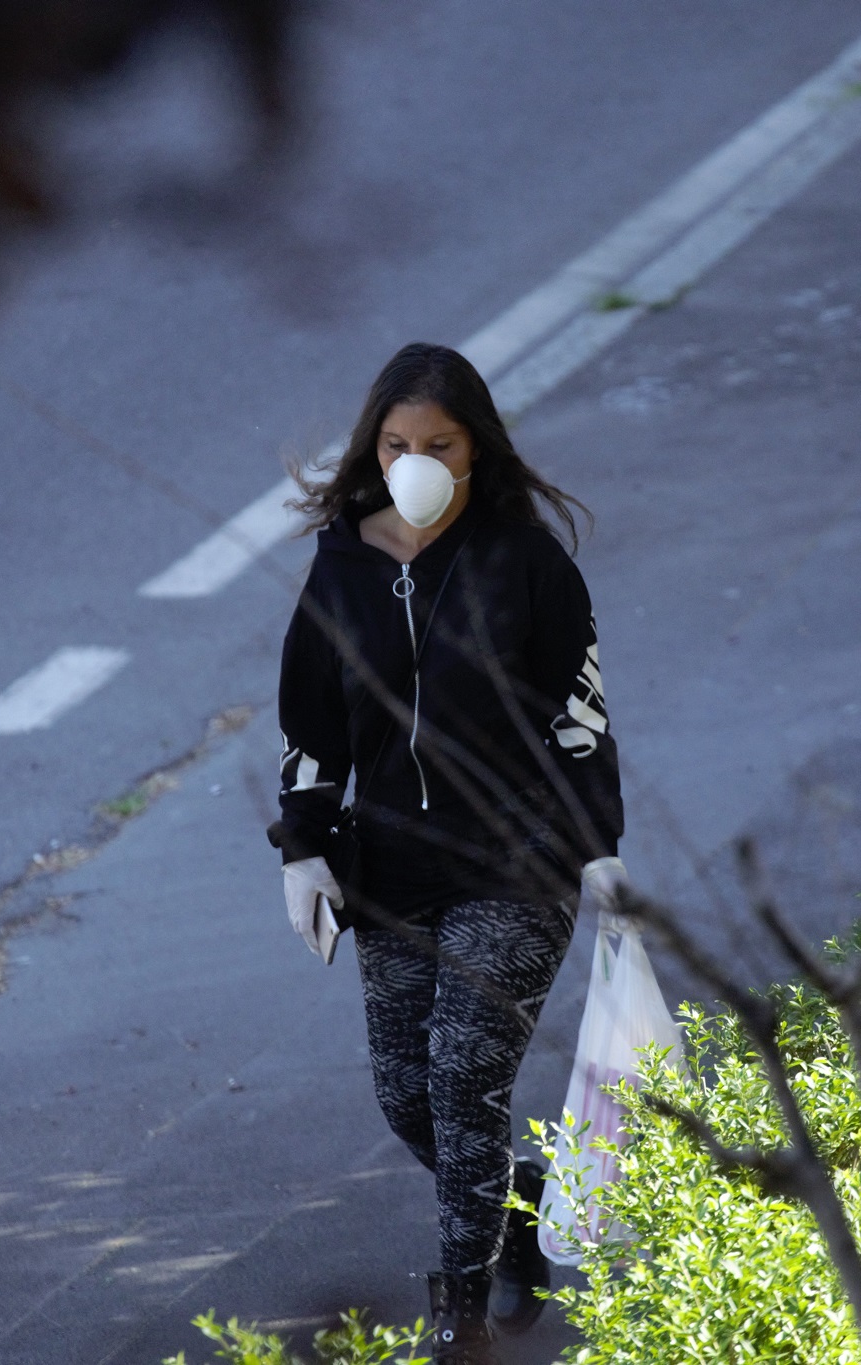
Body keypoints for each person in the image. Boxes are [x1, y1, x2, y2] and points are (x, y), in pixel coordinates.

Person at [271, 342, 627, 1363]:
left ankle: (460, 1316)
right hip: (388, 869)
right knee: (407, 1097)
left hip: (519, 864)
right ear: (370, 449)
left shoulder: (525, 561)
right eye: (394, 444)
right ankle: (510, 1210)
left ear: (475, 449)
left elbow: (580, 717)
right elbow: (309, 722)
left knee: (462, 1079)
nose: (414, 460)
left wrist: (598, 848)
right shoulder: (340, 565)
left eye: (437, 443)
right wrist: (302, 849)